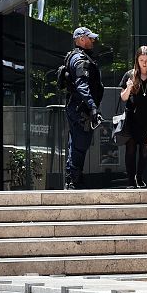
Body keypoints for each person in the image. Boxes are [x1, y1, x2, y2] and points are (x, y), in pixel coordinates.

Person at [64, 27, 104, 190]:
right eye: (89, 38)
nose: (93, 40)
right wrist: (93, 107)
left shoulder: (75, 56)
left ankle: (73, 178)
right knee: (80, 144)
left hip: (77, 107)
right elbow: (82, 86)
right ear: (81, 39)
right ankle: (73, 179)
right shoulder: (80, 59)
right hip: (81, 109)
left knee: (76, 143)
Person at [119, 46, 147, 188]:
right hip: (132, 118)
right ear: (137, 60)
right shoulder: (130, 75)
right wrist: (129, 88)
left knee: (145, 150)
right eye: (141, 60)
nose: (144, 63)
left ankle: (139, 175)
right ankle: (131, 180)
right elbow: (123, 97)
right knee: (130, 149)